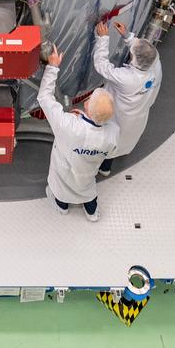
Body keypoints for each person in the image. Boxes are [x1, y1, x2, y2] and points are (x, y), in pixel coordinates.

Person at [37, 44, 118, 221]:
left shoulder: (68, 125)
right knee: (87, 191)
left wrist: (52, 67)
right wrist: (81, 117)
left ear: (87, 106)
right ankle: (92, 213)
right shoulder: (113, 132)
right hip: (87, 175)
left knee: (60, 191)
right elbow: (106, 145)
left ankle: (62, 207)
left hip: (63, 174)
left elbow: (44, 97)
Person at [91, 19, 162, 177]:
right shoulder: (155, 67)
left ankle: (99, 168)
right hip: (136, 118)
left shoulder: (127, 78)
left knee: (109, 143)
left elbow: (101, 65)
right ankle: (106, 167)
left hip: (119, 118)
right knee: (120, 143)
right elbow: (144, 52)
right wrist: (127, 36)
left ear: (134, 59)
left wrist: (103, 39)